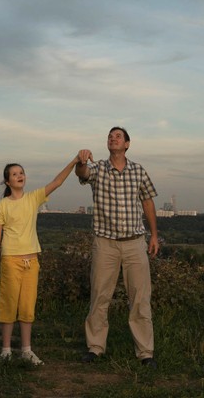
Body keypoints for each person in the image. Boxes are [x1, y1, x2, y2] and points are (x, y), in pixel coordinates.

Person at [75, 126, 159, 368]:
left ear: (127, 144)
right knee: (100, 296)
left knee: (140, 298)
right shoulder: (99, 168)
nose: (113, 139)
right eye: (110, 136)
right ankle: (95, 347)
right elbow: (82, 174)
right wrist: (80, 161)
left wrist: (154, 235)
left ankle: (145, 353)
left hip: (134, 243)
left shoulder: (138, 171)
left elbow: (148, 202)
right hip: (105, 244)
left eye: (118, 136)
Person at [0, 155, 79, 365]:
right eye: (14, 174)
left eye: (21, 173)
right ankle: (6, 350)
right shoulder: (2, 205)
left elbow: (57, 182)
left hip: (31, 261)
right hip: (11, 260)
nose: (19, 176)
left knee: (28, 306)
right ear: (7, 181)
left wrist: (74, 161)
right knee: (9, 304)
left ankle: (27, 350)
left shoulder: (33, 198)